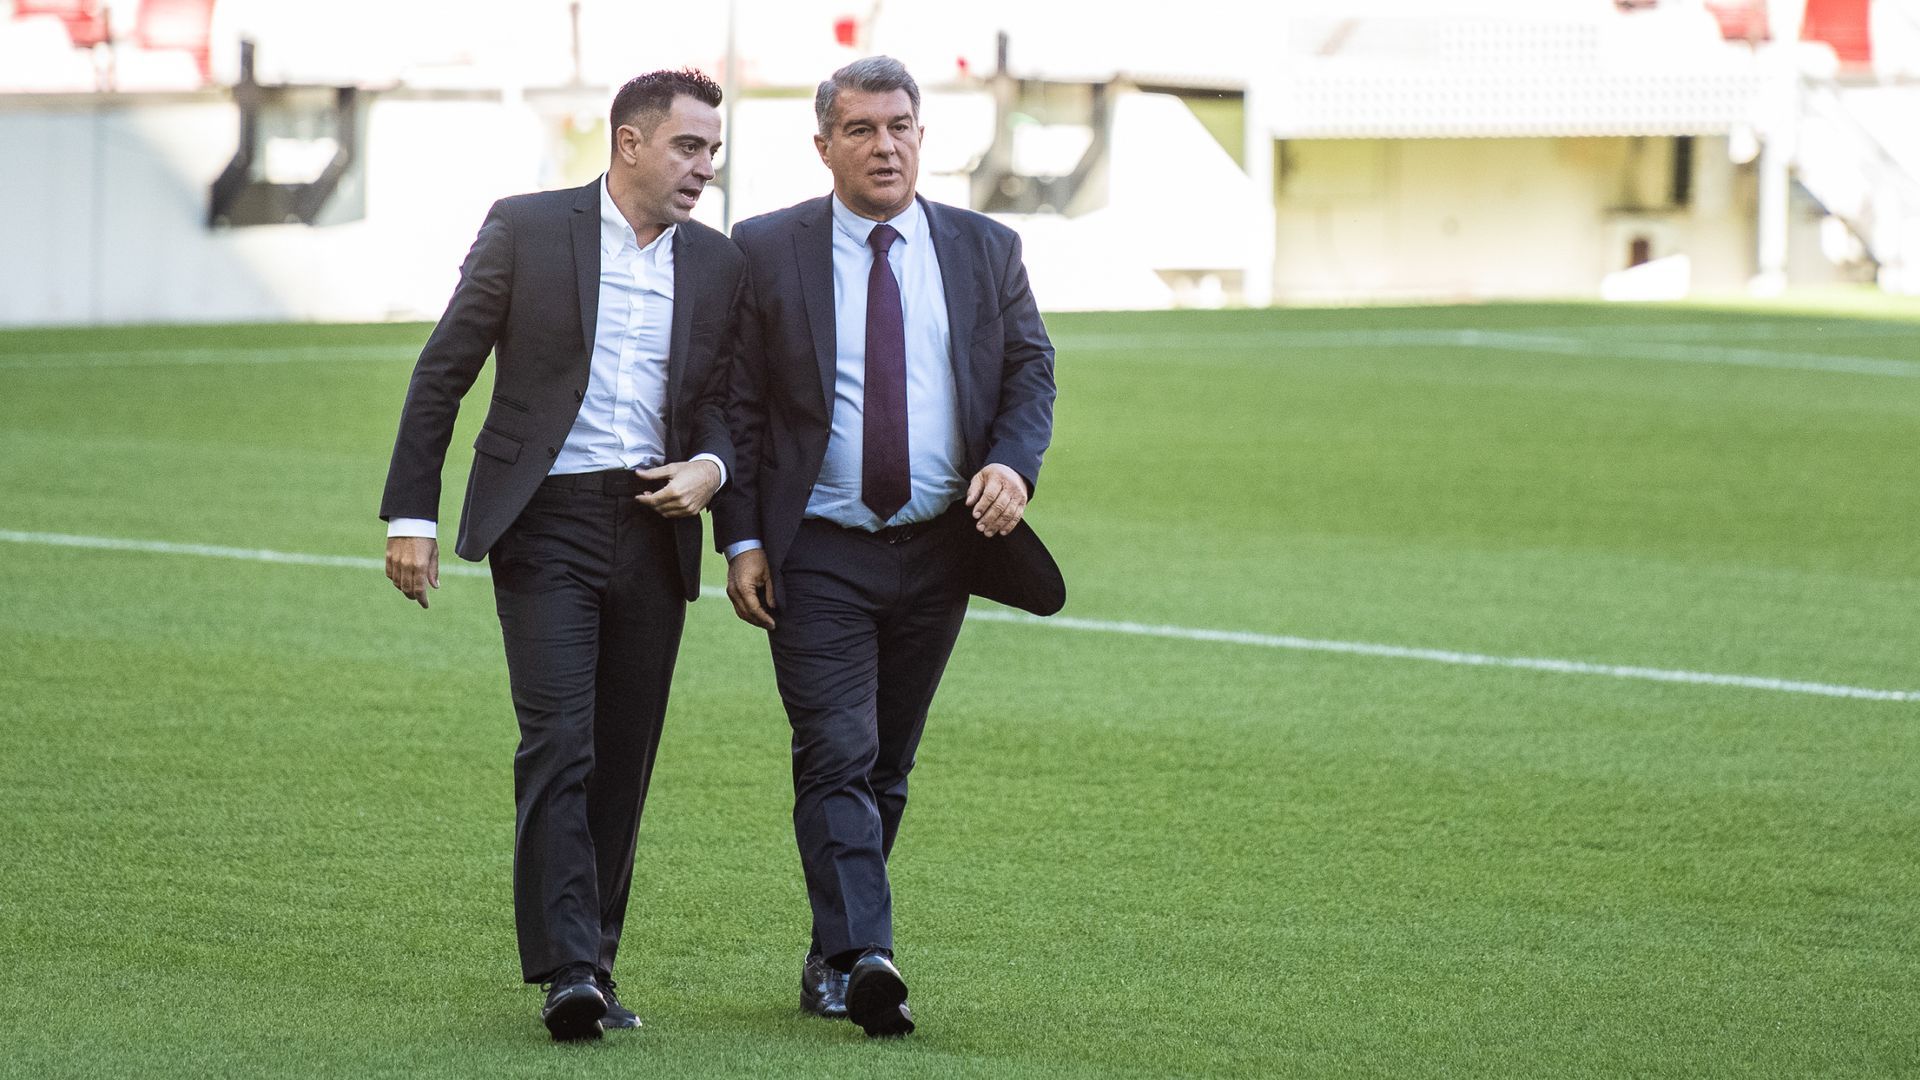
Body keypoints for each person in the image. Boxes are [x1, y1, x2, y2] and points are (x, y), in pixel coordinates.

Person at [378, 69, 743, 1042]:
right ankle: (567, 972)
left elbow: (725, 400)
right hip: (543, 522)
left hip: (658, 522)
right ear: (630, 142)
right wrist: (409, 514)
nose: (706, 166)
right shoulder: (527, 229)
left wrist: (712, 465)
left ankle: (597, 962)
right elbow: (442, 373)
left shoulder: (716, 264)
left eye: (714, 149)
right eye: (689, 147)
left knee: (623, 758)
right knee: (559, 743)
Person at [713, 55, 1061, 1038]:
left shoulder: (985, 248)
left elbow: (1030, 370)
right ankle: (868, 956)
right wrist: (739, 537)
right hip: (816, 548)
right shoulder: (768, 249)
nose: (885, 144)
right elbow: (736, 406)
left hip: (940, 548)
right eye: (861, 129)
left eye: (900, 125)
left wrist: (1013, 465)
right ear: (823, 144)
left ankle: (832, 952)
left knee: (887, 762)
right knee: (838, 749)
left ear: (923, 135)